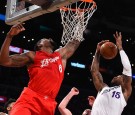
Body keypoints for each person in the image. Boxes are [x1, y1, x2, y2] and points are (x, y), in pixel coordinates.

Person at [0, 23, 82, 115]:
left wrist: (80, 19)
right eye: (44, 38)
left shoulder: (60, 55)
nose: (49, 38)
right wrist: (9, 36)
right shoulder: (33, 56)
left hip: (49, 105)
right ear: (39, 45)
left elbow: (75, 41)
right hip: (30, 100)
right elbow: (4, 61)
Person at [90, 32, 132, 115]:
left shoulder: (124, 92)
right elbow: (94, 71)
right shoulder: (103, 87)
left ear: (123, 82)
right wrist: (98, 52)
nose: (117, 76)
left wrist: (120, 47)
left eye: (120, 76)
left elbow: (127, 67)